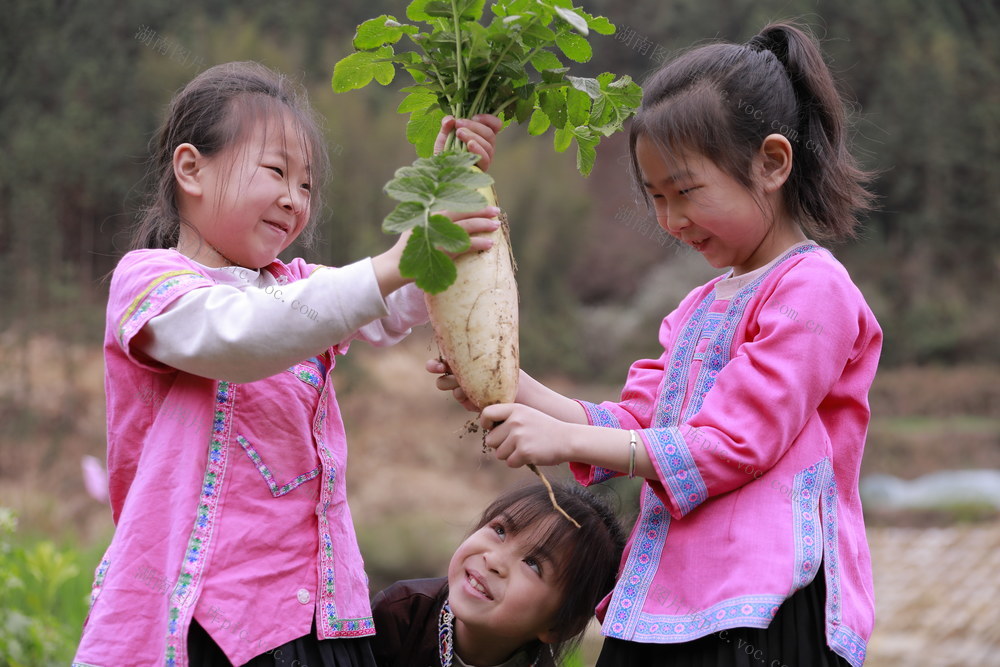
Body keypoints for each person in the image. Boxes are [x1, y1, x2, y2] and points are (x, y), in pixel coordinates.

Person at [431, 22, 881, 667]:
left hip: (761, 610)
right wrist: (505, 385)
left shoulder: (814, 290)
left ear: (772, 163)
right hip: (663, 604)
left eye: (686, 192)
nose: (671, 220)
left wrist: (566, 440)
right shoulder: (696, 307)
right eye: (657, 199)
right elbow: (638, 427)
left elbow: (734, 444)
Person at [73, 61, 502, 667]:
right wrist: (398, 258)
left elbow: (397, 299)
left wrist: (448, 185)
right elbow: (243, 337)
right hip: (203, 615)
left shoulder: (297, 284)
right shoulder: (151, 280)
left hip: (316, 617)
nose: (294, 199)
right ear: (191, 168)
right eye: (276, 171)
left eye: (306, 186)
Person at [370, 483, 626, 667]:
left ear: (559, 626)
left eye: (533, 564)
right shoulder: (401, 615)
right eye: (500, 530)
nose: (493, 560)